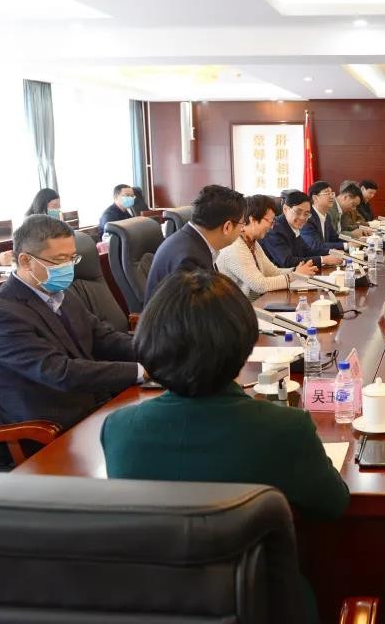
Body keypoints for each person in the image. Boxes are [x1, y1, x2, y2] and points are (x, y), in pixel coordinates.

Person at [100, 269, 349, 622]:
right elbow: (334, 505)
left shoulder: (118, 429)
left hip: (162, 609)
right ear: (244, 345)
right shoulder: (285, 428)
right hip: (266, 610)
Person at [0, 215, 142, 429]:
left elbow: (102, 337)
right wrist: (140, 371)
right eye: (59, 259)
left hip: (93, 403)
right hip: (51, 426)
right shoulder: (0, 314)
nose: (68, 267)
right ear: (26, 261)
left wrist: (156, 351)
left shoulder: (60, 293)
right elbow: (60, 372)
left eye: (72, 258)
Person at [145, 185, 245, 301]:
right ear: (227, 227)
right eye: (242, 223)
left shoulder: (192, 241)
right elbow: (199, 309)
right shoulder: (188, 260)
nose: (242, 229)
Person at [217, 194, 317, 299]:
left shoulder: (252, 242)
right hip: (241, 307)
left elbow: (273, 272)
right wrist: (295, 275)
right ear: (252, 219)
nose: (272, 226)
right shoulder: (235, 246)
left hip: (256, 302)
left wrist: (298, 270)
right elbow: (260, 285)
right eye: (270, 221)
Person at [262, 191, 343, 269]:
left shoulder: (292, 226)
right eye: (298, 212)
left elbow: (307, 251)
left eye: (306, 214)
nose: (302, 218)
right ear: (285, 209)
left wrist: (331, 252)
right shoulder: (274, 229)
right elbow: (287, 261)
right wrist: (323, 260)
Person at [301, 181, 346, 254]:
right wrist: (346, 245)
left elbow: (334, 238)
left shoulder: (327, 216)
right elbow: (315, 246)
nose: (332, 196)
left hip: (326, 255)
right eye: (327, 193)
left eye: (332, 193)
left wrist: (353, 242)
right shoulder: (307, 218)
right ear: (315, 198)